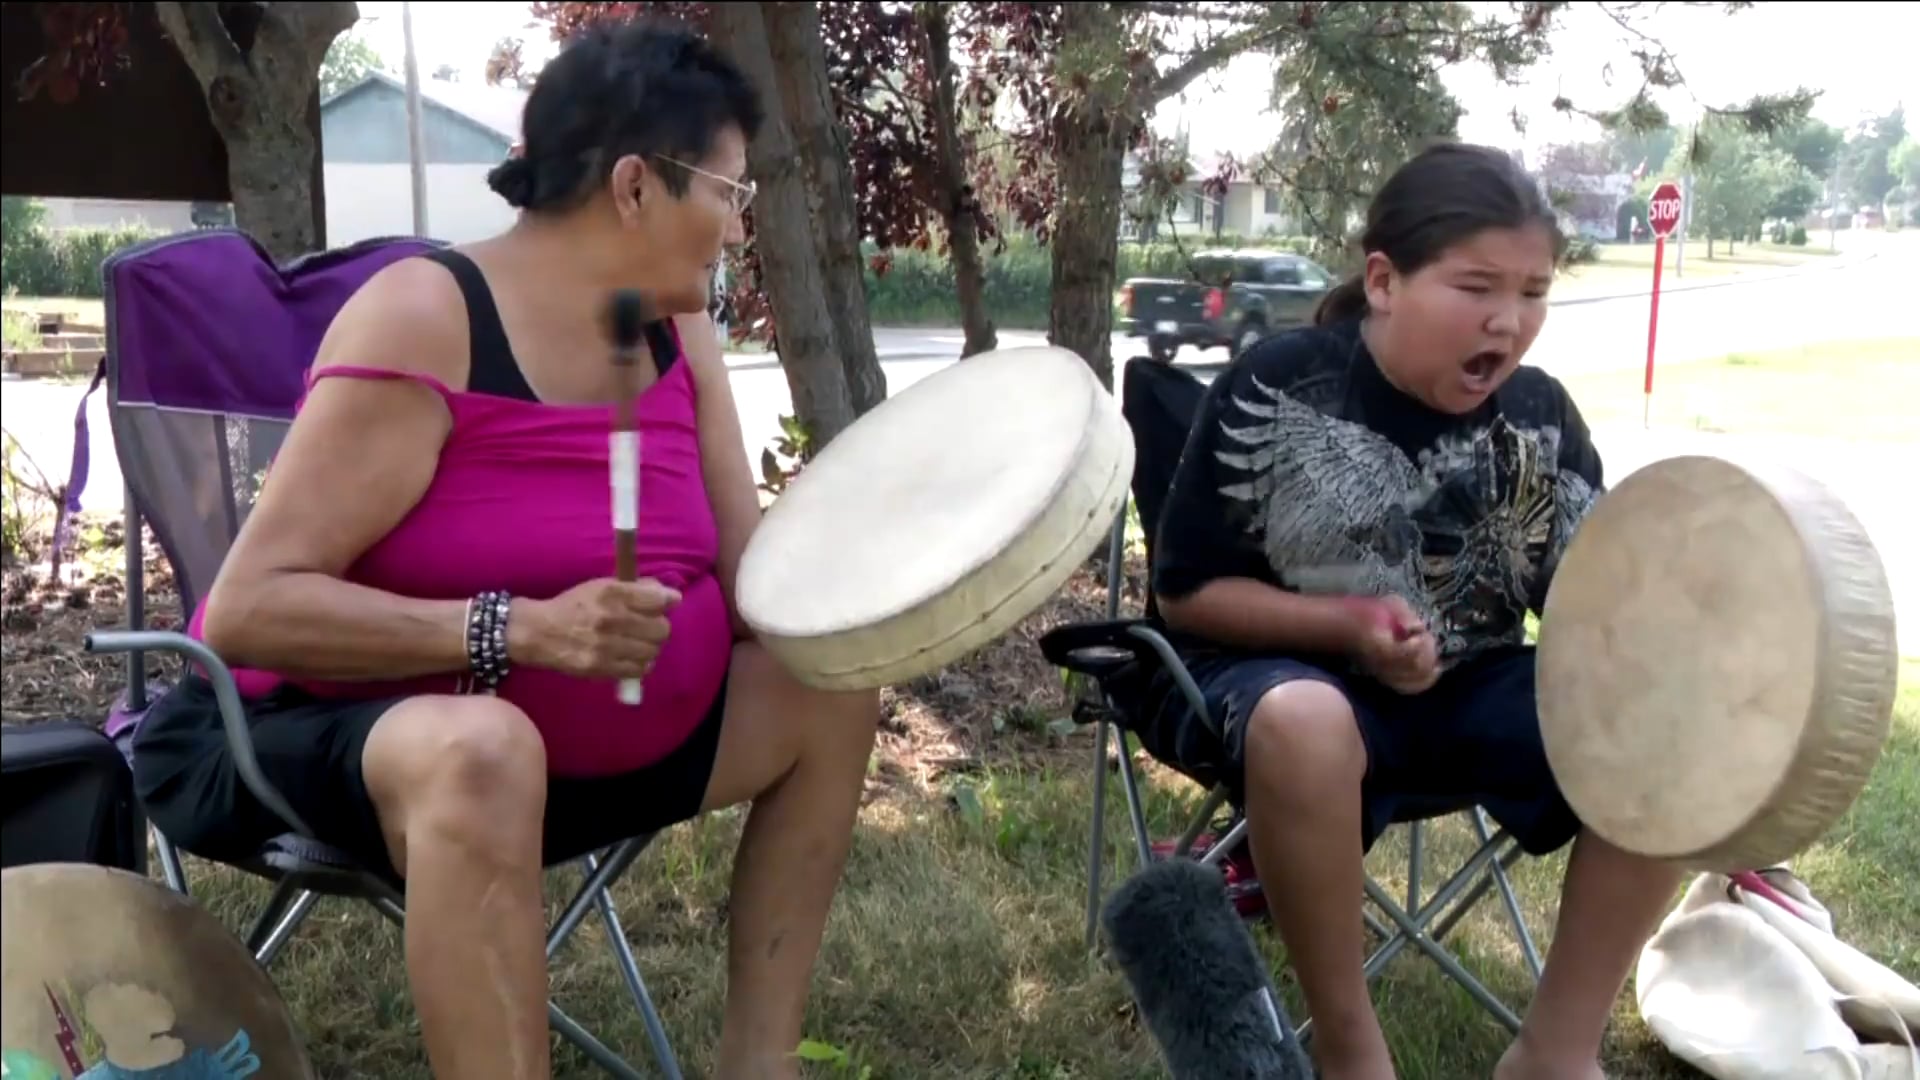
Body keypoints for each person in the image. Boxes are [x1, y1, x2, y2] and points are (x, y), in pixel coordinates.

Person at [130, 21, 880, 1080]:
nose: (732, 228)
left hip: (590, 752)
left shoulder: (675, 327)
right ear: (636, 187)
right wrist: (520, 628)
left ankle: (760, 1062)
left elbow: (751, 582)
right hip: (331, 738)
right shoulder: (428, 316)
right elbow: (251, 608)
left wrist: (889, 575)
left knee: (832, 687)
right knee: (485, 750)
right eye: (726, 193)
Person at [1141, 141, 1686, 1080]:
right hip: (1279, 680)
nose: (1509, 321)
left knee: (1666, 726)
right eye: (1478, 287)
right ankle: (1353, 1051)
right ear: (1385, 280)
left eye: (1533, 292)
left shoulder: (1541, 415)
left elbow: (1587, 608)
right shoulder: (1282, 381)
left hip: (1467, 685)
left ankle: (1556, 1052)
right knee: (1307, 720)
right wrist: (1346, 627)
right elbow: (1185, 592)